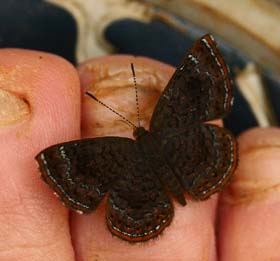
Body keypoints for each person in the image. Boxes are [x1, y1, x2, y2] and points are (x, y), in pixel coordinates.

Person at [0, 49, 279, 261]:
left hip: (139, 187)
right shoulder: (164, 120)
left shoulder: (108, 153)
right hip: (195, 154)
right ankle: (202, 182)